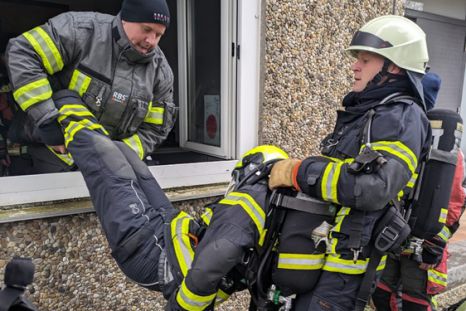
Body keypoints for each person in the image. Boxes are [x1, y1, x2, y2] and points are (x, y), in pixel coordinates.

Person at [268, 15, 432, 311]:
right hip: (325, 257)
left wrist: (299, 171)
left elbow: (373, 188)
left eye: (365, 60)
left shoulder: (401, 117)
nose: (354, 66)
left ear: (393, 67)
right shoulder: (372, 112)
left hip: (344, 273)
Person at [5, 0, 176, 174]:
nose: (151, 41)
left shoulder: (160, 73)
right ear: (126, 19)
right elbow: (24, 53)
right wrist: (47, 122)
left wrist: (117, 156)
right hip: (52, 155)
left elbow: (154, 129)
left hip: (108, 170)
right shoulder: (80, 32)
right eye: (146, 29)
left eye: (159, 34)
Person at [372, 73, 466, 310]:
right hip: (391, 235)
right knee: (382, 293)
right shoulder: (400, 136)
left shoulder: (443, 152)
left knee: (413, 301)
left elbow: (454, 202)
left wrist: (434, 243)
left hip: (422, 245)